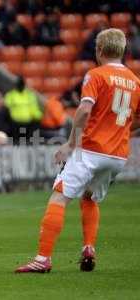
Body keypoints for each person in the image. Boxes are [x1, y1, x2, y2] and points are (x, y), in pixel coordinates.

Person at [15, 28, 140, 273]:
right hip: (117, 155)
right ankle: (88, 247)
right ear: (124, 51)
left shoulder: (96, 75)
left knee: (59, 195)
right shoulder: (136, 82)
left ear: (99, 50)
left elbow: (83, 110)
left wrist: (71, 144)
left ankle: (42, 259)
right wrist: (121, 130)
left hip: (91, 150)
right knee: (90, 197)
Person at [4, 76, 43, 145]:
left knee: (26, 142)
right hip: (14, 124)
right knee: (15, 142)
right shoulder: (11, 95)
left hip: (27, 124)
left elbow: (34, 109)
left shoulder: (30, 95)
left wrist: (39, 116)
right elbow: (6, 106)